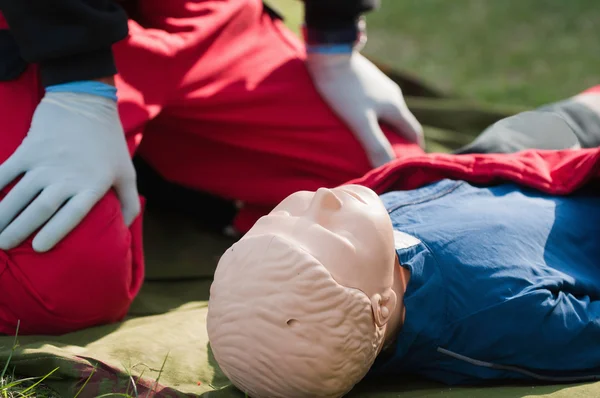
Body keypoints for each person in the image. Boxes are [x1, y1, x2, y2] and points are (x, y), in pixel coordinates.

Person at [0, 0, 424, 335]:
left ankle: (166, 174)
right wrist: (79, 82)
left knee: (387, 175)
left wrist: (334, 37)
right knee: (63, 289)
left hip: (192, 14)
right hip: (33, 26)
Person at [207, 89, 600, 397]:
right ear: (380, 308)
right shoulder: (501, 320)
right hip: (584, 196)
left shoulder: (365, 239)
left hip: (506, 161)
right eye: (328, 231)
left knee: (573, 114)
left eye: (283, 216)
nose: (324, 195)